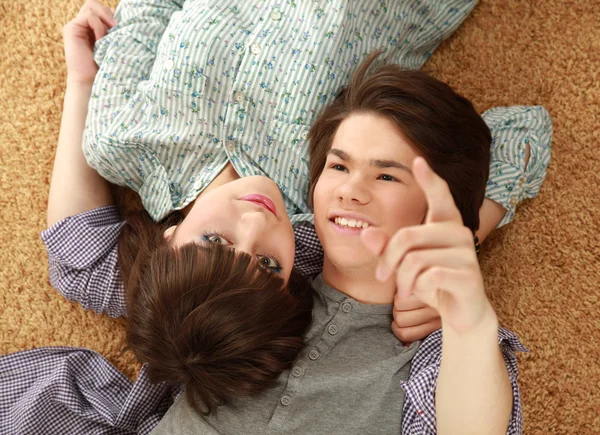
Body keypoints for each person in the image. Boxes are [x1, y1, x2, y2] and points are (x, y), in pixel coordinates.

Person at [1, 4, 534, 433]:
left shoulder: (203, 306)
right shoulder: (407, 340)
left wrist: (84, 82)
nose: (255, 223)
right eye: (265, 263)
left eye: (216, 241)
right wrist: (456, 272)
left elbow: (76, 255)